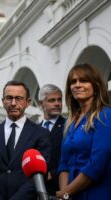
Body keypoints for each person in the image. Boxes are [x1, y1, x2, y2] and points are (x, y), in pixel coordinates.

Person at [0, 80, 51, 200]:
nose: (13, 103)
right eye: (9, 98)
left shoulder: (41, 134)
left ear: (27, 102)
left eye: (18, 98)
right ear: (3, 101)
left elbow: (40, 174)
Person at [56, 63, 111, 200]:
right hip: (71, 195)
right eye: (73, 82)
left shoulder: (105, 116)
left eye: (84, 80)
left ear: (96, 86)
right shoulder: (70, 122)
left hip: (97, 193)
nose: (77, 85)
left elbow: (97, 164)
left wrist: (66, 192)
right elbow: (63, 164)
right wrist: (65, 193)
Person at [38, 84, 66, 196]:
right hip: (37, 190)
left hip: (60, 189)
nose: (57, 104)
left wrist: (52, 174)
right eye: (52, 100)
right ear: (41, 103)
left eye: (59, 99)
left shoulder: (69, 126)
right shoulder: (35, 129)